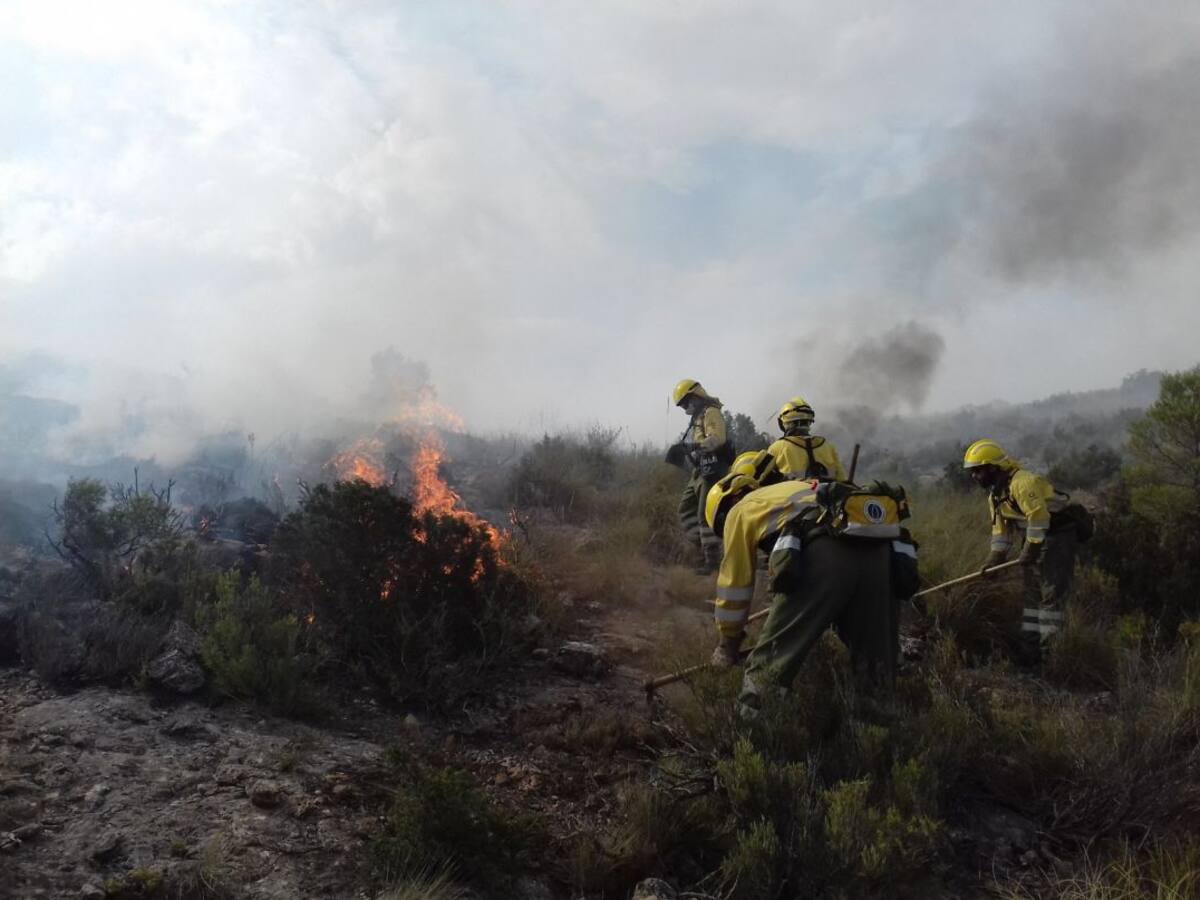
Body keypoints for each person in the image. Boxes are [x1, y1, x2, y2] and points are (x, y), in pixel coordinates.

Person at [705, 454, 916, 713]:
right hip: (881, 556)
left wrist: (727, 644)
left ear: (729, 502)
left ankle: (753, 726)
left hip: (822, 554)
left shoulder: (740, 510)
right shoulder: (799, 487)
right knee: (875, 670)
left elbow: (735, 586)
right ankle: (876, 729)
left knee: (770, 665)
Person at [962, 439, 1077, 660]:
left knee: (1051, 595)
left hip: (1057, 537)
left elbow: (1039, 518)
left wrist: (1030, 550)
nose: (974, 476)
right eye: (972, 472)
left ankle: (1051, 654)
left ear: (993, 468)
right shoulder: (995, 496)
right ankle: (1031, 651)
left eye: (977, 471)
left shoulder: (1022, 483)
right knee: (1031, 596)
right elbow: (1001, 533)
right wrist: (994, 560)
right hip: (1034, 539)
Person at [669, 379, 735, 573]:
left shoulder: (711, 412)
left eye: (685, 402)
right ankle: (706, 549)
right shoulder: (697, 417)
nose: (685, 408)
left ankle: (712, 562)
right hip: (700, 470)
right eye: (682, 405)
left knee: (704, 515)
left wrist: (693, 446)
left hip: (714, 468)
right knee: (685, 510)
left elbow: (717, 439)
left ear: (696, 396)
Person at [765, 396, 847, 481]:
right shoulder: (828, 447)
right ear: (809, 421)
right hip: (827, 490)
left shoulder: (777, 448)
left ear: (783, 422)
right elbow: (842, 480)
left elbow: (760, 480)